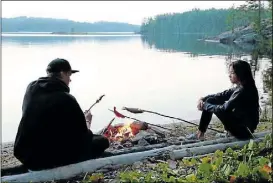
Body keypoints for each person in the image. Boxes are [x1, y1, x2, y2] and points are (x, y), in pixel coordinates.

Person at [14, 58, 110, 171]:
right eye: (69, 75)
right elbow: (83, 138)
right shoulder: (66, 99)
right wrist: (87, 121)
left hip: (24, 154)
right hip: (44, 160)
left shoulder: (31, 89)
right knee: (102, 141)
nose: (70, 80)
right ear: (62, 73)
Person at [196, 60, 260, 140]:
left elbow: (224, 109)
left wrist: (205, 106)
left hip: (244, 131)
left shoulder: (243, 90)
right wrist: (203, 98)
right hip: (243, 128)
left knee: (211, 102)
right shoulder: (243, 86)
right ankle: (200, 133)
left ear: (240, 73)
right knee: (211, 100)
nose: (229, 75)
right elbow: (221, 95)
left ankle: (200, 134)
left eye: (232, 73)